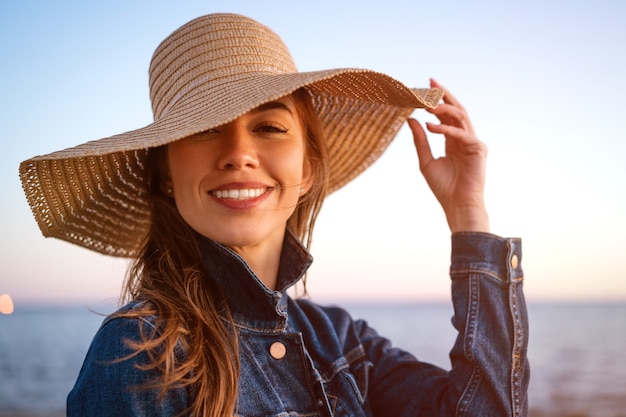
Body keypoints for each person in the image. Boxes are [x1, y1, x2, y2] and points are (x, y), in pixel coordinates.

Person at [19, 13, 529, 417]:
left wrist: (469, 215)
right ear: (165, 175)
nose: (238, 152)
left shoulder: (341, 341)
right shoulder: (141, 350)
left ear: (306, 169)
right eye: (203, 128)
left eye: (269, 127)